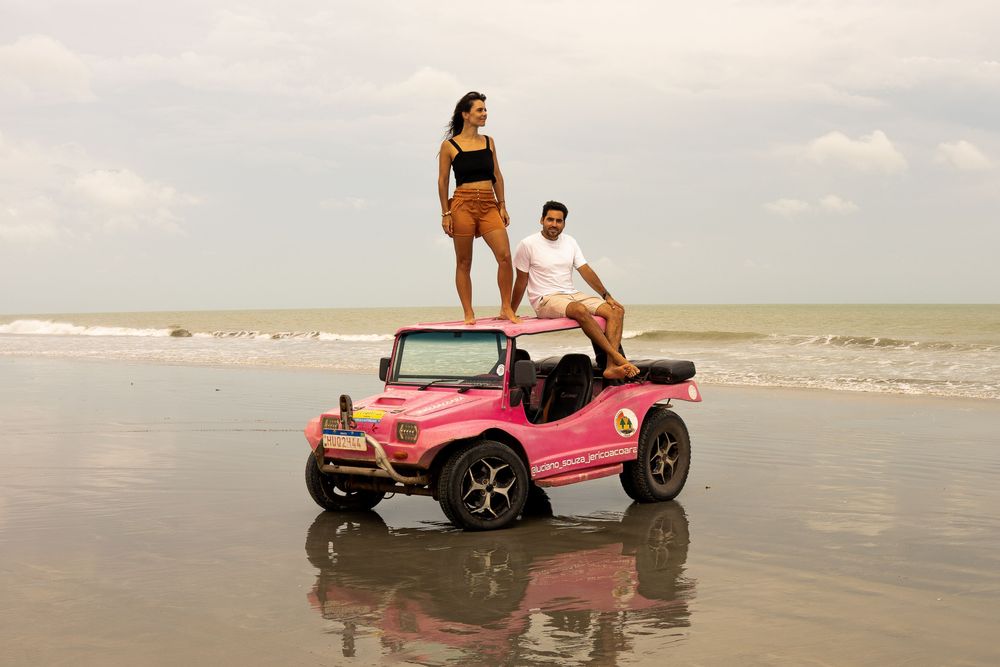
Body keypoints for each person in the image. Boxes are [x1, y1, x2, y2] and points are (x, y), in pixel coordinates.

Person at [512, 201, 639, 380]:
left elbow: (585, 270)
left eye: (559, 221)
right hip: (545, 299)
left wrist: (606, 295)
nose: (554, 224)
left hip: (570, 294)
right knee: (579, 309)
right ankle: (618, 357)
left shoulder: (570, 241)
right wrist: (510, 310)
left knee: (616, 310)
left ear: (564, 223)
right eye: (550, 219)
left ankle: (610, 366)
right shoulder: (527, 244)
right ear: (541, 220)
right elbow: (521, 280)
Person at [438, 91, 520, 325]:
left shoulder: (488, 141)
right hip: (462, 204)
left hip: (488, 204)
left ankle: (506, 308)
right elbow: (443, 181)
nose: (485, 114)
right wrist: (446, 213)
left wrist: (502, 205)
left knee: (504, 256)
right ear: (466, 114)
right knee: (464, 262)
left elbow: (497, 175)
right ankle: (468, 313)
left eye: (485, 110)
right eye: (480, 110)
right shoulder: (449, 146)